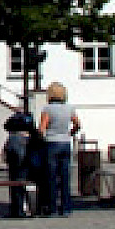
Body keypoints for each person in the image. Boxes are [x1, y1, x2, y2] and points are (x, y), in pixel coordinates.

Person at [39, 81, 81, 217]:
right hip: (65, 143)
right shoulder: (69, 108)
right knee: (65, 177)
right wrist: (70, 133)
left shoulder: (48, 109)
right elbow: (78, 124)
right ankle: (66, 208)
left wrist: (40, 137)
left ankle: (52, 208)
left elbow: (42, 128)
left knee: (51, 177)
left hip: (52, 143)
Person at [2, 108, 36, 217]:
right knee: (24, 179)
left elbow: (6, 127)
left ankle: (16, 209)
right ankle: (26, 208)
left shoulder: (12, 128)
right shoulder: (29, 120)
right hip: (24, 147)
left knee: (14, 180)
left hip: (13, 147)